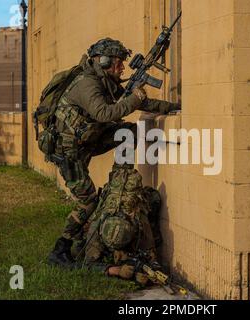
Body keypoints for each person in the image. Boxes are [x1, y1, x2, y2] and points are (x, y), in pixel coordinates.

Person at [46, 38, 180, 268]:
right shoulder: (87, 83)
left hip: (84, 142)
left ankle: (120, 180)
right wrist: (133, 99)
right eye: (118, 63)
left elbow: (140, 104)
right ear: (104, 61)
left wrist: (172, 108)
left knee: (126, 131)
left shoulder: (105, 81)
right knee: (88, 201)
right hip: (68, 151)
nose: (122, 68)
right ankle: (61, 248)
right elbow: (104, 114)